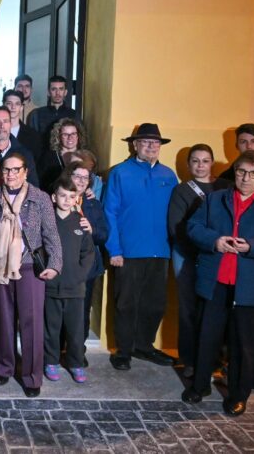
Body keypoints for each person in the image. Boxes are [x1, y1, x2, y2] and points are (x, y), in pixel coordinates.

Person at [183, 151, 254, 416]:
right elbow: (193, 227)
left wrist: (253, 246)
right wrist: (215, 241)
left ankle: (238, 395)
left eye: (253, 173)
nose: (245, 178)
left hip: (251, 288)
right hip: (216, 282)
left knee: (243, 344)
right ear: (234, 172)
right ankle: (200, 386)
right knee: (206, 337)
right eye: (241, 171)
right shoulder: (214, 199)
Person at [0, 153, 63, 397]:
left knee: (31, 324)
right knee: (5, 320)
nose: (10, 174)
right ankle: (5, 367)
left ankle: (32, 377)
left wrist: (55, 264)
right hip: (1, 267)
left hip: (29, 267)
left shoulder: (39, 198)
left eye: (15, 169)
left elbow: (51, 234)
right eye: (6, 170)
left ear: (25, 172)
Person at [104, 123, 178, 371]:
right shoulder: (120, 173)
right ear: (134, 145)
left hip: (161, 250)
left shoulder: (169, 175)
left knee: (155, 303)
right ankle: (123, 350)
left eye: (155, 143)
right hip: (128, 251)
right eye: (145, 142)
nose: (151, 146)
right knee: (126, 302)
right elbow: (109, 212)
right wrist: (114, 249)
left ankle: (144, 346)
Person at [166, 144, 230, 377]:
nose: (200, 165)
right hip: (189, 255)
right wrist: (201, 252)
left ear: (212, 162)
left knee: (215, 309)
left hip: (219, 256)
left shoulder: (224, 186)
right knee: (189, 309)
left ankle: (214, 358)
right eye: (195, 161)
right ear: (188, 164)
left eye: (205, 160)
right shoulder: (182, 190)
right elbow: (177, 227)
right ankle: (190, 359)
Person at [43, 177, 95, 384]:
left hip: (75, 288)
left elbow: (88, 253)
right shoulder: (46, 222)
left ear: (77, 199)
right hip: (51, 288)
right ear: (54, 197)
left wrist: (79, 276)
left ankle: (75, 363)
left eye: (71, 196)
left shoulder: (81, 223)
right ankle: (51, 361)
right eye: (62, 195)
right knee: (51, 328)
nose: (66, 200)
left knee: (75, 329)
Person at [61, 161, 108, 366]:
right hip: (61, 266)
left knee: (81, 311)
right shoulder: (57, 198)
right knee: (58, 309)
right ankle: (56, 349)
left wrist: (92, 230)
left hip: (86, 268)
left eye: (85, 178)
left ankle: (77, 351)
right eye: (76, 176)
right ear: (69, 177)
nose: (80, 181)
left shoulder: (93, 204)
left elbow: (104, 234)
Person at [0, 106, 40, 187]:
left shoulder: (25, 154)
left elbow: (34, 188)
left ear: (10, 125)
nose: (2, 126)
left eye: (5, 121)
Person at [26, 75, 79, 157]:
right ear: (48, 92)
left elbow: (79, 141)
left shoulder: (74, 114)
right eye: (54, 89)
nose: (57, 93)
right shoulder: (36, 114)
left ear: (65, 92)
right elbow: (31, 142)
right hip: (42, 161)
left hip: (68, 160)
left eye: (61, 89)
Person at [38, 118, 88, 191]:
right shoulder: (48, 158)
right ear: (58, 137)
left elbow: (90, 180)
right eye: (65, 134)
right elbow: (41, 184)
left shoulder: (85, 157)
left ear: (78, 136)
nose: (70, 137)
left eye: (73, 134)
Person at [3, 89, 43, 160]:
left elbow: (36, 160)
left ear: (21, 107)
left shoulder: (33, 135)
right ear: (3, 105)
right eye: (9, 103)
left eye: (17, 104)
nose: (13, 107)